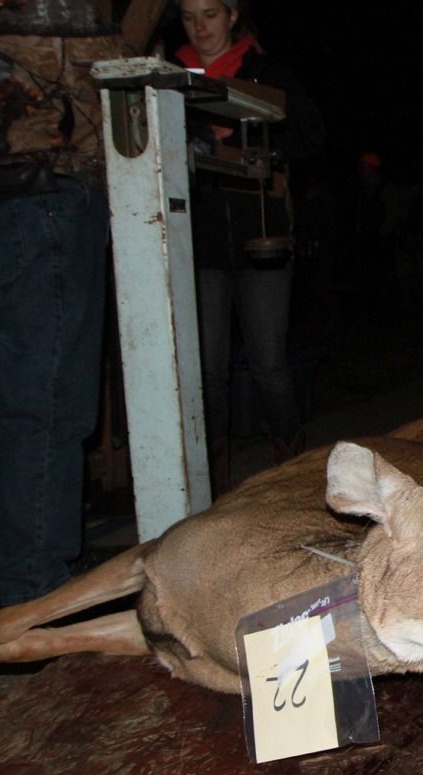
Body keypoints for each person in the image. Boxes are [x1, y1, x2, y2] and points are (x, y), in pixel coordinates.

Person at [0, 5, 124, 607]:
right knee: (44, 404)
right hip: (33, 187)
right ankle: (31, 585)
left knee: (57, 402)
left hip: (41, 185)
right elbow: (81, 47)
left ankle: (49, 557)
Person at [174, 0, 325, 492]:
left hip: (261, 238)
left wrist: (249, 139)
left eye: (210, 14)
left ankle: (293, 474)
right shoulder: (172, 77)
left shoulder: (266, 71)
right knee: (208, 370)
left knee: (268, 364)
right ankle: (214, 481)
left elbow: (311, 134)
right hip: (200, 242)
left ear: (232, 15)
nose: (200, 27)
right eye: (189, 16)